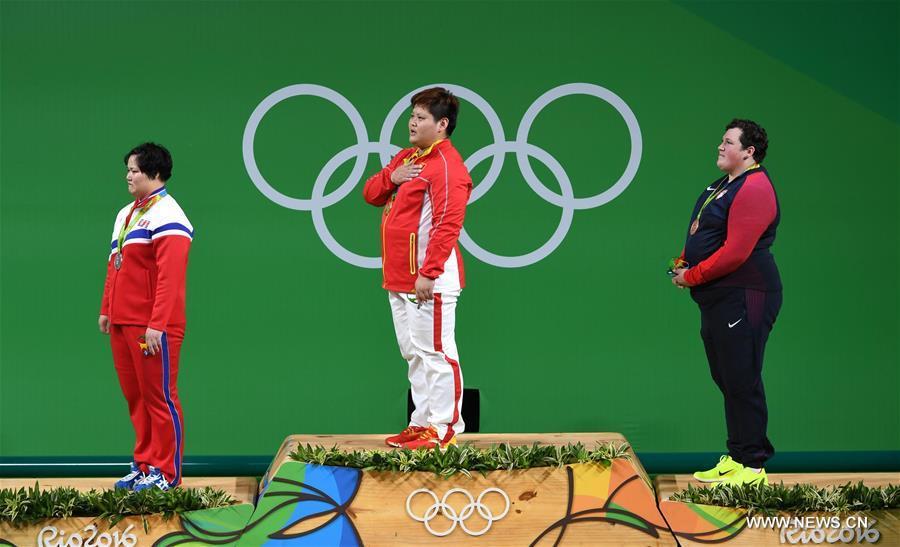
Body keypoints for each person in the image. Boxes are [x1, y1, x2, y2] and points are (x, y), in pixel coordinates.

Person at [671, 119, 781, 487]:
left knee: (742, 376)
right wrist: (684, 261)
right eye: (722, 140)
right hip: (719, 297)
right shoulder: (721, 185)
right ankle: (737, 458)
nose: (720, 146)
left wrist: (693, 276)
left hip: (746, 294)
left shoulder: (755, 187)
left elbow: (735, 253)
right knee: (728, 377)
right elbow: (703, 232)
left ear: (749, 152)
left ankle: (753, 467)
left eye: (729, 142)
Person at [363, 87, 472, 449]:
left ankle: (443, 428)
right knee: (413, 352)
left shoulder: (447, 167)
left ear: (442, 125)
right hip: (399, 276)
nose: (412, 122)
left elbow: (448, 224)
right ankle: (421, 422)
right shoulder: (407, 158)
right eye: (412, 115)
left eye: (421, 117)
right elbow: (371, 194)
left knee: (437, 352)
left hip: (429, 278)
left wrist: (429, 272)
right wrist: (392, 178)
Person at [99, 142, 193, 491]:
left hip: (152, 325)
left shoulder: (170, 214)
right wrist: (107, 308)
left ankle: (167, 472)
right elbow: (115, 264)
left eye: (134, 170)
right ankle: (144, 464)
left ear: (154, 173)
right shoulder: (126, 214)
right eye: (128, 169)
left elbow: (171, 276)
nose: (128, 175)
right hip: (123, 320)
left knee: (159, 398)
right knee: (136, 397)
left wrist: (158, 324)